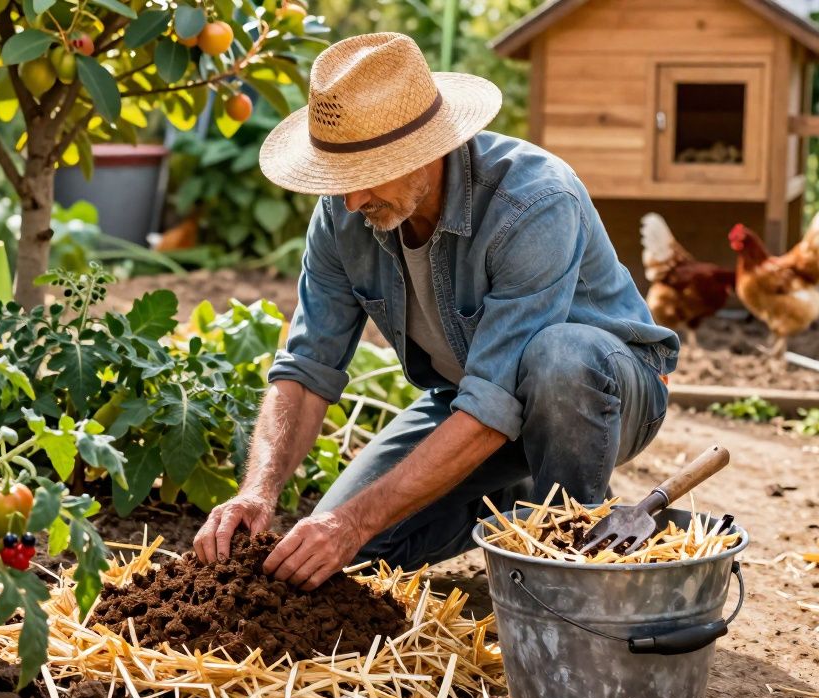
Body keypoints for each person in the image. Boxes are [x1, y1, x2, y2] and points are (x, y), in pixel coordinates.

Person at [191, 32, 680, 589]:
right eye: (338, 180)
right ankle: (515, 494)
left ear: (425, 149)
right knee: (341, 557)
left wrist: (351, 521)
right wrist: (259, 491)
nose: (350, 201)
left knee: (559, 357)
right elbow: (306, 371)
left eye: (364, 175)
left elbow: (498, 399)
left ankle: (570, 556)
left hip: (606, 396)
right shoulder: (342, 215)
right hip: (469, 405)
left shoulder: (535, 201)